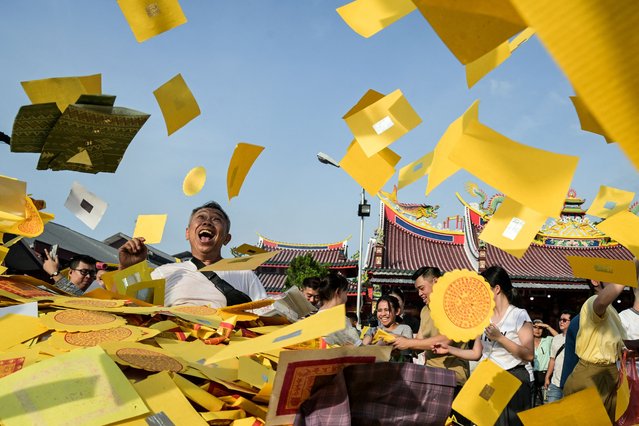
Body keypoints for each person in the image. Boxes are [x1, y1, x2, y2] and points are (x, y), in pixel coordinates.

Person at [433, 265, 534, 426]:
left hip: (512, 379)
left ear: (497, 289)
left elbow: (529, 354)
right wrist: (449, 349)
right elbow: (476, 353)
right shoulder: (484, 317)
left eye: (484, 288)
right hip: (489, 378)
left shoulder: (518, 315)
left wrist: (500, 338)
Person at [118, 201, 267, 307]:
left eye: (216, 219)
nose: (207, 222)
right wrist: (128, 268)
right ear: (188, 233)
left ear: (226, 238)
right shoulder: (164, 272)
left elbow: (264, 317)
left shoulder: (243, 274)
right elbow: (132, 307)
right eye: (201, 218)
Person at [563, 271, 631, 422]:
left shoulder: (613, 311)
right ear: (595, 281)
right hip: (591, 374)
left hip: (609, 374)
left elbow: (617, 345)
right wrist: (628, 273)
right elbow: (601, 302)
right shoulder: (592, 301)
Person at [392, 266, 469, 386]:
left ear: (436, 281)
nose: (420, 294)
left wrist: (409, 343)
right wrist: (397, 345)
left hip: (452, 375)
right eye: (418, 290)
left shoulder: (455, 306)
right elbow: (420, 342)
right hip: (430, 372)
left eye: (422, 288)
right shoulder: (425, 310)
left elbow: (446, 339)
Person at [363, 295, 413, 361]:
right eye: (379, 310)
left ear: (397, 311)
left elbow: (407, 354)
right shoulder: (372, 330)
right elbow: (363, 350)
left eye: (387, 310)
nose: (383, 314)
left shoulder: (405, 329)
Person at [317, 271, 361, 346]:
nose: (346, 298)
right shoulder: (340, 320)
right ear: (338, 292)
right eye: (345, 293)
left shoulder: (315, 318)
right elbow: (358, 349)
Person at [544, 310, 573, 402]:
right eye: (560, 319)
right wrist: (547, 377)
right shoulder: (556, 338)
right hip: (555, 382)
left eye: (564, 320)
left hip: (571, 383)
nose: (561, 322)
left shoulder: (577, 339)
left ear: (572, 322)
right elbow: (552, 359)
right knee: (551, 412)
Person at [531, 319, 558, 406]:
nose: (537, 330)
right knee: (533, 405)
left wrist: (547, 326)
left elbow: (560, 338)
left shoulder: (548, 340)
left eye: (540, 328)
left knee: (547, 404)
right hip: (532, 377)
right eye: (535, 327)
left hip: (545, 376)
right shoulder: (527, 342)